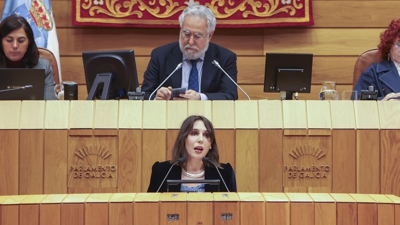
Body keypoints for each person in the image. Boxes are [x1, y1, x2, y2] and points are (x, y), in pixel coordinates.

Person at [141, 4, 238, 100]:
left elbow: (230, 96)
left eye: (197, 36)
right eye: (186, 34)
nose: (191, 42)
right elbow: (145, 94)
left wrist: (200, 98)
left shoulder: (225, 59)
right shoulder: (160, 56)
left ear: (209, 36)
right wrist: (157, 98)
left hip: (209, 114)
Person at [147, 115, 237, 192]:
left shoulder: (224, 173)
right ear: (183, 139)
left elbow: (232, 210)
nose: (201, 139)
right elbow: (150, 209)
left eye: (206, 135)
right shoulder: (162, 171)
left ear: (211, 144)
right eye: (194, 133)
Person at [0, 15, 56, 100]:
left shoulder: (43, 67)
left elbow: (49, 105)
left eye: (21, 41)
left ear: (29, 42)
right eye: (9, 40)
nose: (15, 46)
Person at [354, 18, 400, 101]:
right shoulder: (373, 73)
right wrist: (383, 102)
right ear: (389, 45)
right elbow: (358, 103)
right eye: (399, 44)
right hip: (388, 113)